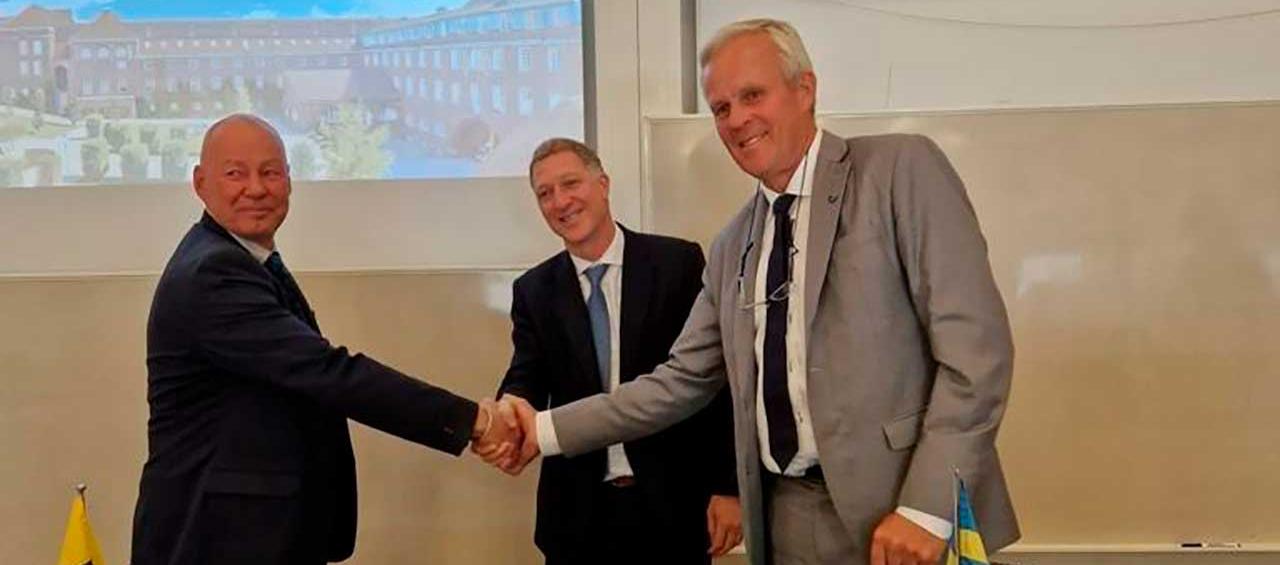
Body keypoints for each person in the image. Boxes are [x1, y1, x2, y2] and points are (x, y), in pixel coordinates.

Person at [496, 19, 1019, 565]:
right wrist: (542, 429)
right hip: (784, 519)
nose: (737, 119)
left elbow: (977, 354)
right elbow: (679, 381)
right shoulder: (732, 245)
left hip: (904, 520)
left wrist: (926, 509)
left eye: (752, 95)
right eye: (721, 108)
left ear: (804, 88)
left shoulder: (898, 171)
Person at [130, 114, 516, 565]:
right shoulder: (212, 272)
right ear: (200, 183)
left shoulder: (243, 260)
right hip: (216, 539)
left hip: (253, 534)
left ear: (290, 181)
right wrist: (475, 421)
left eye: (270, 172)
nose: (256, 188)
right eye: (235, 173)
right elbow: (328, 372)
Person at [493, 138, 741, 563]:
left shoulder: (677, 263)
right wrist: (508, 411)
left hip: (673, 508)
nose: (560, 202)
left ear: (603, 184)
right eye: (545, 193)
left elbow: (716, 382)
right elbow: (526, 376)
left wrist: (727, 486)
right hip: (577, 518)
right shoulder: (534, 290)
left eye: (571, 183)